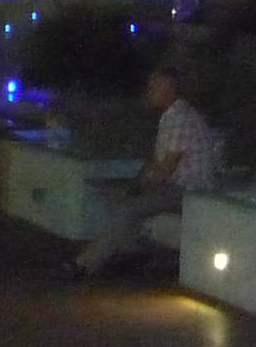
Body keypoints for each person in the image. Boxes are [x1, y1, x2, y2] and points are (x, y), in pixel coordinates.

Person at [66, 65, 216, 278]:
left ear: (168, 89)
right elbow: (156, 161)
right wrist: (136, 185)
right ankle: (128, 252)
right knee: (119, 200)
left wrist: (137, 190)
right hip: (175, 187)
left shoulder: (180, 119)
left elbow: (166, 168)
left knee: (129, 207)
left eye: (154, 88)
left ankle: (84, 264)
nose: (149, 92)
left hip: (189, 191)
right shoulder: (171, 116)